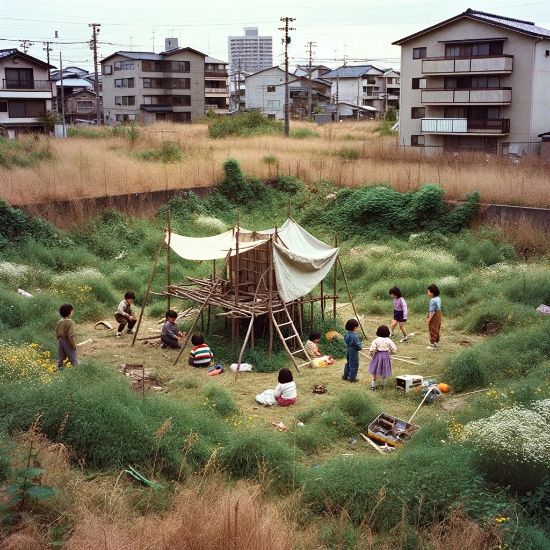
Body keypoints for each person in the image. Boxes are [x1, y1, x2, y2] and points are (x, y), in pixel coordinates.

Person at [368, 325, 397, 390]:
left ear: (378, 332)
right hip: (386, 356)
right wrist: (390, 353)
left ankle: (373, 386)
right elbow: (394, 349)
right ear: (387, 332)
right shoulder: (389, 340)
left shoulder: (376, 340)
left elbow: (372, 349)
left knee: (375, 370)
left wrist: (371, 354)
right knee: (385, 370)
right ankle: (382, 386)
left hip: (378, 355)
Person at [56, 303, 77, 371]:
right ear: (70, 312)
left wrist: (59, 340)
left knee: (60, 358)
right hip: (67, 341)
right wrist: (73, 345)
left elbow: (57, 332)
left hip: (60, 340)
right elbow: (71, 336)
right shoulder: (71, 323)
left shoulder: (59, 322)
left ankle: (59, 370)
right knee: (73, 357)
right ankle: (77, 370)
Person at [342, 318, 362, 382]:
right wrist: (360, 347)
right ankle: (352, 378)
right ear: (354, 328)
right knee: (354, 364)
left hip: (348, 350)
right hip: (353, 351)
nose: (357, 329)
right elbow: (357, 345)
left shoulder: (347, 335)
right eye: (357, 327)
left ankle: (345, 376)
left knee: (348, 363)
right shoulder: (354, 336)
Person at [427, 284, 442, 350]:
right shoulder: (438, 298)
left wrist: (429, 319)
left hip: (434, 315)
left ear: (432, 293)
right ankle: (436, 342)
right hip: (439, 314)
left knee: (432, 329)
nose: (427, 293)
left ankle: (432, 344)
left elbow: (432, 311)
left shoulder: (432, 300)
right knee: (437, 328)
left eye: (428, 291)